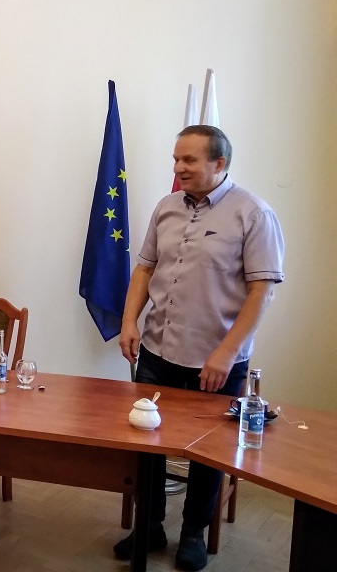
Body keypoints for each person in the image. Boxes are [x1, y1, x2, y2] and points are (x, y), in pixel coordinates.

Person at [115, 125, 284, 571]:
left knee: (207, 452)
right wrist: (129, 322)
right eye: (176, 159)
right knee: (147, 444)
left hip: (215, 359)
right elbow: (144, 269)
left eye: (189, 160)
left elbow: (262, 291)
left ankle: (193, 533)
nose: (179, 168)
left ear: (219, 163)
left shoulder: (253, 214)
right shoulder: (166, 207)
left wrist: (226, 353)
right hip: (157, 351)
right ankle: (150, 526)